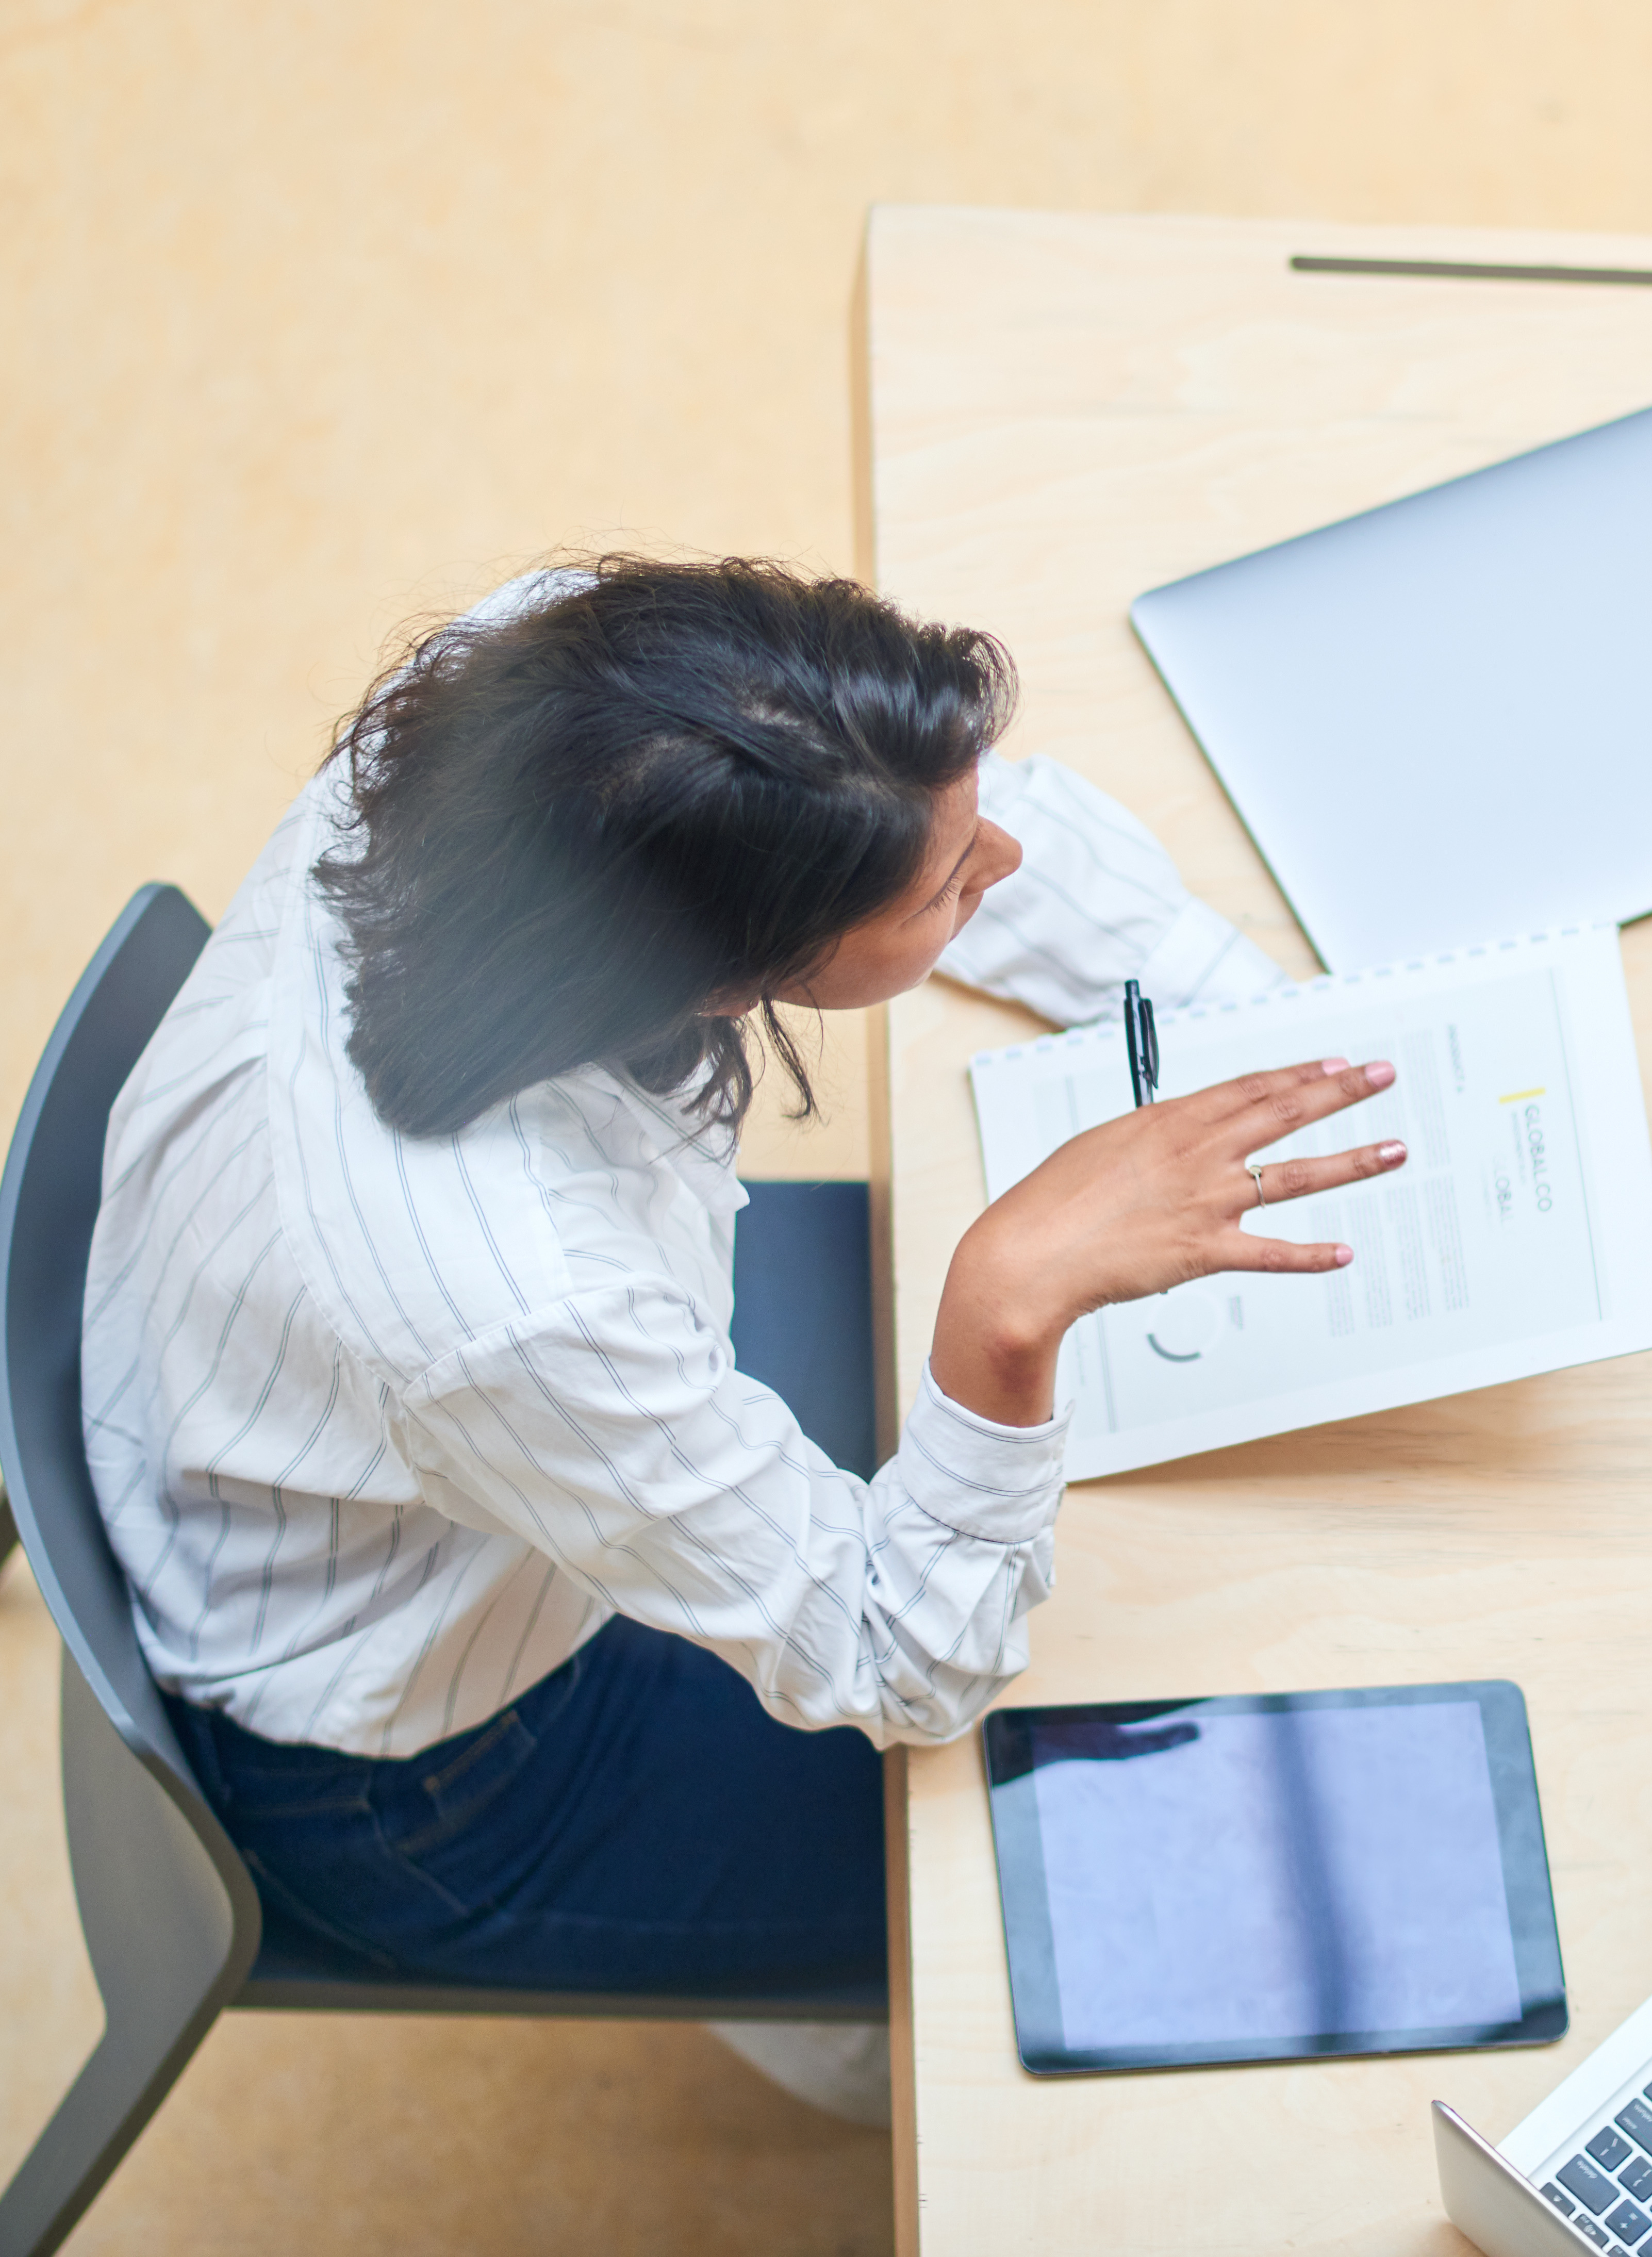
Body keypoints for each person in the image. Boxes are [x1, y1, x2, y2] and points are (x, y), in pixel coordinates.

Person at [80, 556, 1403, 2010]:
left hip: (351, 1453)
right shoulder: (516, 1292)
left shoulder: (543, 679)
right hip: (442, 1769)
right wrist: (1002, 1310)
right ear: (727, 975)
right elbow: (901, 1661)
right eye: (953, 886)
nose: (1002, 864)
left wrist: (1256, 1025)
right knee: (1130, 1856)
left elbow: (910, 806)